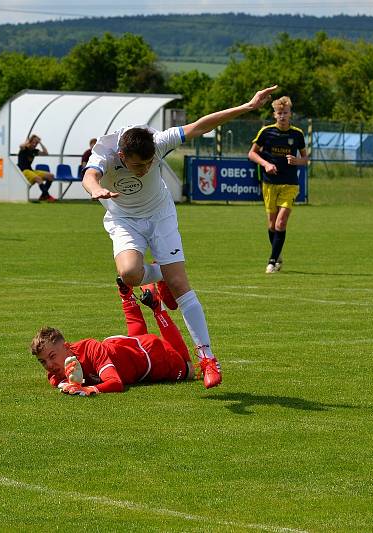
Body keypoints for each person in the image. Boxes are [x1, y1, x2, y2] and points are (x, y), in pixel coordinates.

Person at [82, 84, 279, 389]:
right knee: (130, 274)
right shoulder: (105, 153)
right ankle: (163, 274)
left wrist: (248, 107)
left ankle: (208, 358)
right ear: (122, 155)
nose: (146, 169)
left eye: (150, 163)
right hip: (124, 219)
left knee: (180, 284)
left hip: (160, 216)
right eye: (138, 165)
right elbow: (89, 176)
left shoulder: (156, 142)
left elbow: (201, 124)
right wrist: (97, 191)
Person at [31, 280, 194, 395]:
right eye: (43, 361)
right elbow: (56, 380)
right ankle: (127, 296)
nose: (49, 365)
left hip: (152, 356)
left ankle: (158, 308)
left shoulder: (90, 349)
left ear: (67, 347)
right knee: (135, 342)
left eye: (52, 357)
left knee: (188, 370)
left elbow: (115, 383)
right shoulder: (56, 370)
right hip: (124, 347)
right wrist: (67, 384)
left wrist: (88, 389)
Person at [247, 95, 308, 274]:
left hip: (290, 184)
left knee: (281, 223)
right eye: (279, 113)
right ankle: (278, 253)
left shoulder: (297, 134)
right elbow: (252, 154)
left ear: (290, 114)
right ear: (274, 114)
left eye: (285, 113)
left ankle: (272, 261)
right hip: (270, 184)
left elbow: (305, 159)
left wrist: (297, 160)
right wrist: (266, 164)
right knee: (272, 225)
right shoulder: (266, 132)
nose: (282, 116)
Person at [18, 134, 55, 202]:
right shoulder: (25, 148)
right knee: (38, 179)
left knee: (51, 176)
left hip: (30, 170)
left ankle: (43, 196)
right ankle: (47, 196)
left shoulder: (35, 151)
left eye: (36, 143)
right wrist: (28, 141)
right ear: (30, 141)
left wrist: (40, 142)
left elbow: (46, 153)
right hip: (23, 171)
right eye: (33, 142)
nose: (35, 144)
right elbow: (21, 146)